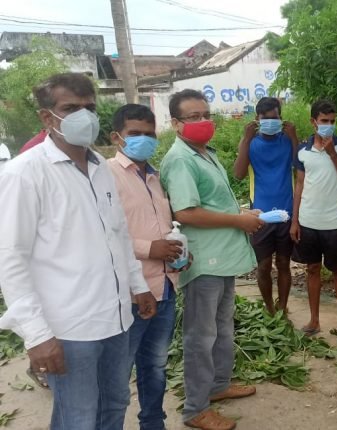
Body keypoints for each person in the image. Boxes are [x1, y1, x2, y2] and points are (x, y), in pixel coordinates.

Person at [0, 72, 157, 429]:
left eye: (90, 108)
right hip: (70, 328)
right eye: (71, 108)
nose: (84, 116)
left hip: (116, 317)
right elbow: (10, 258)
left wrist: (137, 285)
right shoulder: (25, 173)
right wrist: (37, 334)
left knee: (115, 403)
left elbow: (117, 234)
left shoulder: (100, 166)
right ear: (47, 117)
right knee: (79, 417)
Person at [160, 89, 262, 430]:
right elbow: (186, 212)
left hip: (223, 256)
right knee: (200, 336)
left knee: (221, 327)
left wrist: (242, 214)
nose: (203, 121)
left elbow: (213, 203)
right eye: (194, 116)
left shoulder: (203, 153)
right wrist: (238, 221)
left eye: (206, 114)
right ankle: (195, 409)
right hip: (204, 261)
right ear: (175, 123)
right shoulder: (180, 159)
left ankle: (218, 385)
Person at [107, 104, 183, 430]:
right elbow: (104, 233)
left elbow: (162, 226)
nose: (144, 140)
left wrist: (178, 251)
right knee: (117, 373)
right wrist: (150, 248)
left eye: (149, 134)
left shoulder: (154, 176)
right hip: (131, 292)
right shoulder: (107, 175)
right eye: (135, 133)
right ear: (117, 137)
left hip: (165, 286)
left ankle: (153, 423)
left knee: (155, 365)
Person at [291, 99, 337, 344]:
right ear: (313, 122)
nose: (328, 125)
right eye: (324, 121)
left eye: (332, 121)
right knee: (312, 269)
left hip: (333, 222)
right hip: (308, 221)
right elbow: (299, 185)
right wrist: (295, 220)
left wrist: (332, 154)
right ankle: (314, 320)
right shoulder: (302, 150)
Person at [233, 97, 298, 315]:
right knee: (263, 265)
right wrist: (245, 139)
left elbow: (300, 167)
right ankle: (270, 308)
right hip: (260, 215)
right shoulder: (250, 143)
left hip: (287, 213)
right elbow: (238, 174)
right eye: (265, 118)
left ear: (281, 118)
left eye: (275, 117)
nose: (271, 121)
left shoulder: (287, 140)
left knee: (284, 263)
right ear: (257, 119)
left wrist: (294, 137)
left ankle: (283, 307)